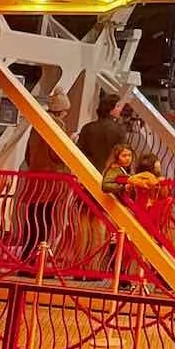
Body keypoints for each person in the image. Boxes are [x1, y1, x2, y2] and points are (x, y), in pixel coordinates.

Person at [23, 91, 70, 267]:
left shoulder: (37, 125)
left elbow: (28, 154)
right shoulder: (57, 125)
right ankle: (37, 262)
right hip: (50, 182)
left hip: (34, 178)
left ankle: (26, 260)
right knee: (45, 222)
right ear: (63, 109)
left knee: (32, 222)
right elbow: (57, 154)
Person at [77, 95, 128, 175]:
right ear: (110, 110)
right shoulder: (119, 131)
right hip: (107, 174)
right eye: (117, 106)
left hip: (86, 171)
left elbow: (79, 151)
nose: (120, 109)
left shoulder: (87, 128)